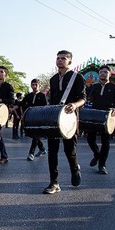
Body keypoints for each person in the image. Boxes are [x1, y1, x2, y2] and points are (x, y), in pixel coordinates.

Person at [43, 50, 86, 194]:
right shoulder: (53, 79)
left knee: (70, 150)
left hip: (70, 119)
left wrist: (74, 105)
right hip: (55, 119)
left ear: (70, 62)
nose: (60, 60)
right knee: (52, 151)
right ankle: (54, 182)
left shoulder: (77, 77)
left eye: (63, 58)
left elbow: (83, 98)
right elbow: (53, 99)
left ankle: (74, 170)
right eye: (58, 58)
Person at [87, 65, 115, 175]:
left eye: (105, 72)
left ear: (110, 74)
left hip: (108, 117)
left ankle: (102, 165)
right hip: (94, 116)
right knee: (90, 139)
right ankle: (97, 155)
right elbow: (88, 98)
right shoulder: (94, 87)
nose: (102, 74)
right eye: (101, 72)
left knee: (105, 142)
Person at [21, 78, 48, 161]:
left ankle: (31, 153)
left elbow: (45, 107)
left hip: (39, 119)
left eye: (36, 85)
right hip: (30, 119)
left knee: (36, 135)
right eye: (33, 85)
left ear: (39, 86)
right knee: (34, 135)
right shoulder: (28, 96)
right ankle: (42, 149)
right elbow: (22, 104)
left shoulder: (42, 96)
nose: (34, 86)